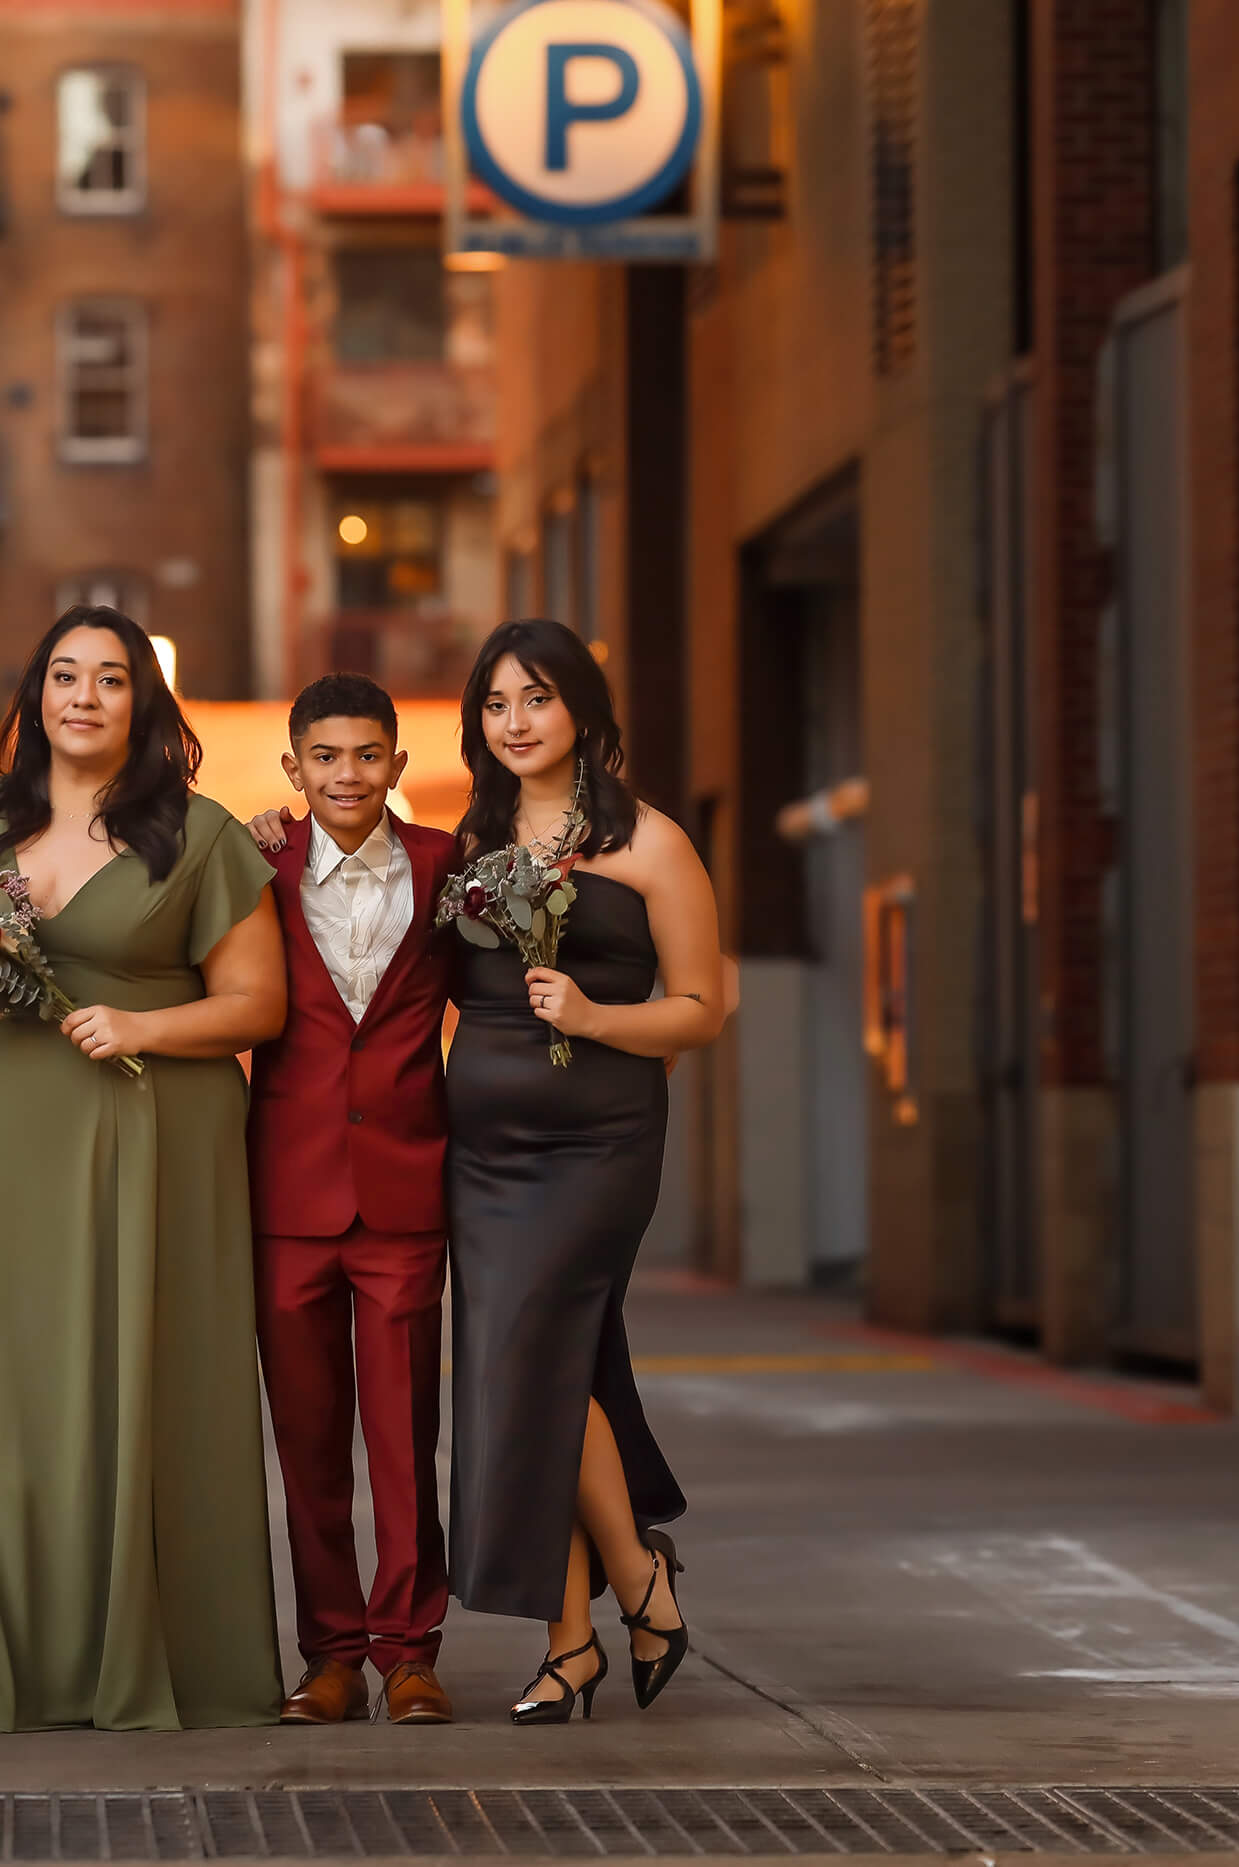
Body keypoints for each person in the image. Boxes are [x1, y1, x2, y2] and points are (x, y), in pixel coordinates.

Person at [0, 604, 288, 1732]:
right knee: (7, 1402)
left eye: (111, 679)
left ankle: (162, 1655)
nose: (83, 696)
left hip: (154, 1141)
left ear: (144, 703)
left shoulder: (200, 832)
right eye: (64, 675)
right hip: (4, 1150)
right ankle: (18, 1667)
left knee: (152, 1389)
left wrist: (141, 1028)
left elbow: (258, 1003)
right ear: (34, 694)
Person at [444, 618, 724, 1724]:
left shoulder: (650, 842)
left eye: (536, 699)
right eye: (495, 704)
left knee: (527, 1359)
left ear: (583, 712)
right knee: (533, 1373)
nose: (514, 722)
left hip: (599, 1144)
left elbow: (701, 1008)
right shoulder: (465, 845)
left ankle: (635, 1584)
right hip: (484, 1157)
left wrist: (599, 1014)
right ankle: (576, 1638)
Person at [240, 674, 456, 1726]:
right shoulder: (254, 865)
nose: (345, 774)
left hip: (406, 1195)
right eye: (324, 756)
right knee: (308, 1441)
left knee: (402, 1441)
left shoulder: (445, 867)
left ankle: (410, 1649)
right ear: (292, 769)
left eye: (367, 755)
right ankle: (328, 1653)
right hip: (287, 1195)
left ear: (396, 767)